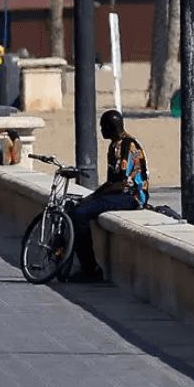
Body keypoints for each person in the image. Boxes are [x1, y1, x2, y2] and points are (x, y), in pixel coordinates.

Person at [69, 109, 150, 281]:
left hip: (131, 196)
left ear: (110, 127)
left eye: (102, 126)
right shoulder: (114, 145)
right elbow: (112, 181)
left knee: (80, 214)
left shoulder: (126, 146)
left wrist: (95, 197)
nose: (100, 130)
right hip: (118, 192)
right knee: (76, 207)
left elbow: (121, 183)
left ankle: (90, 270)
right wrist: (95, 195)